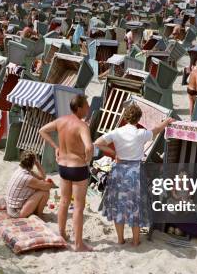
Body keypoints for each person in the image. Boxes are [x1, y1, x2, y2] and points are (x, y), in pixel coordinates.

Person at [94, 104, 174, 246]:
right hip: (135, 171)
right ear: (138, 118)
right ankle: (136, 241)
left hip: (119, 170)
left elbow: (98, 143)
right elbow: (156, 130)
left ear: (125, 117)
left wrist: (114, 153)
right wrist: (166, 122)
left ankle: (120, 239)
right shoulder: (140, 133)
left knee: (119, 206)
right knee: (135, 207)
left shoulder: (117, 132)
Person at [39, 94, 93, 252]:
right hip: (78, 167)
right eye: (87, 106)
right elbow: (89, 147)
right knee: (78, 207)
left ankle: (61, 234)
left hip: (63, 166)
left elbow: (42, 130)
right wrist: (87, 160)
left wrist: (56, 147)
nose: (89, 108)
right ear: (80, 108)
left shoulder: (61, 121)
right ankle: (78, 244)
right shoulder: (82, 126)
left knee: (63, 201)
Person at [5, 151, 55, 218]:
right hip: (16, 213)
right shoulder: (27, 177)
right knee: (45, 192)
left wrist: (37, 163)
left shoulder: (21, 170)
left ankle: (35, 212)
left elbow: (42, 177)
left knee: (38, 188)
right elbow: (47, 187)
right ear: (32, 163)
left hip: (11, 208)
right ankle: (39, 215)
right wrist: (51, 184)